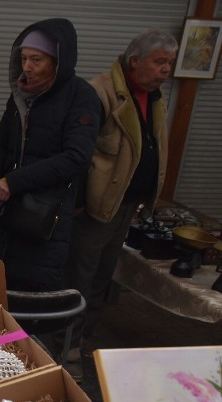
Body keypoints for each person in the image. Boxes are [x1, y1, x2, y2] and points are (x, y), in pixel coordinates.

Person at [65, 29, 178, 364]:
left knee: (104, 274)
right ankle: (66, 345)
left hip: (126, 205)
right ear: (135, 61)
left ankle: (85, 338)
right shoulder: (98, 93)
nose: (166, 70)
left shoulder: (155, 97)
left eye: (169, 63)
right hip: (96, 207)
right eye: (159, 62)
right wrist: (79, 203)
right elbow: (80, 154)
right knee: (80, 278)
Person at [0, 19, 100, 291]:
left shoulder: (81, 96)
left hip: (44, 220)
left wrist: (13, 182)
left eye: (36, 59)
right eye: (23, 58)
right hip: (5, 218)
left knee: (29, 299)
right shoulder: (20, 95)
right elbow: (1, 144)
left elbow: (76, 157)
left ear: (58, 61)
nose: (27, 67)